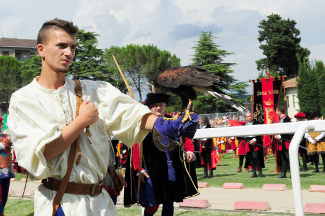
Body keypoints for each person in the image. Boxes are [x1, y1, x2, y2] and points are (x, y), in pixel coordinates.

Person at [7, 19, 198, 216]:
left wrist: (164, 125)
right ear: (41, 49)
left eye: (73, 47)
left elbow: (129, 113)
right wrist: (82, 121)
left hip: (100, 203)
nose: (69, 53)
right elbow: (45, 152)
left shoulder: (93, 90)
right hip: (60, 201)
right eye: (61, 46)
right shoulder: (24, 99)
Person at [124, 93, 199, 216]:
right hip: (151, 169)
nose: (158, 108)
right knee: (151, 204)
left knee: (169, 201)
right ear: (150, 107)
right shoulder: (143, 123)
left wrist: (190, 150)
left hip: (171, 168)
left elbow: (185, 137)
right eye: (155, 105)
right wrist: (139, 169)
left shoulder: (172, 121)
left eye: (161, 105)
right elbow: (136, 147)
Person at [240, 112, 264, 178]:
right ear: (246, 117)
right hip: (248, 143)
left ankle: (260, 172)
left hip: (255, 142)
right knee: (250, 158)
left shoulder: (256, 123)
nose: (249, 117)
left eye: (250, 116)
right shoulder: (244, 126)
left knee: (256, 157)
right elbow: (243, 135)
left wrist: (254, 140)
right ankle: (254, 173)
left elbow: (260, 133)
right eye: (248, 116)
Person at [274, 106, 292, 178]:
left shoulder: (286, 119)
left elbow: (288, 131)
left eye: (276, 111)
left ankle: (292, 174)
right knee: (283, 158)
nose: (276, 112)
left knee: (289, 158)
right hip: (282, 142)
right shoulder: (281, 119)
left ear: (280, 111)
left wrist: (280, 136)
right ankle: (283, 173)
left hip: (286, 141)